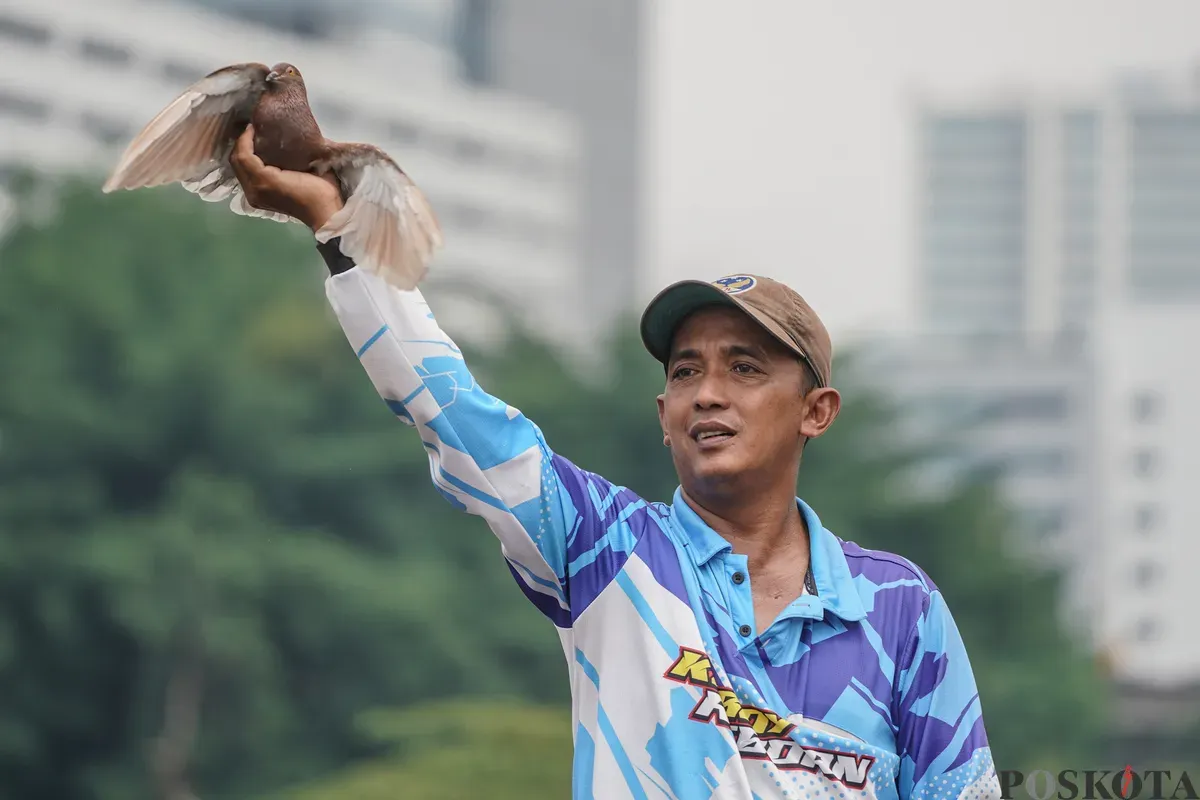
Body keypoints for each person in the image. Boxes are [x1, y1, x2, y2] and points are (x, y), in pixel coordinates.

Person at [229, 127, 1003, 800]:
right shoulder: (608, 549)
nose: (707, 393)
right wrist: (338, 230)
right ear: (663, 416)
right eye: (686, 372)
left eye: (744, 368)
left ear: (816, 411)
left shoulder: (899, 608)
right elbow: (452, 409)